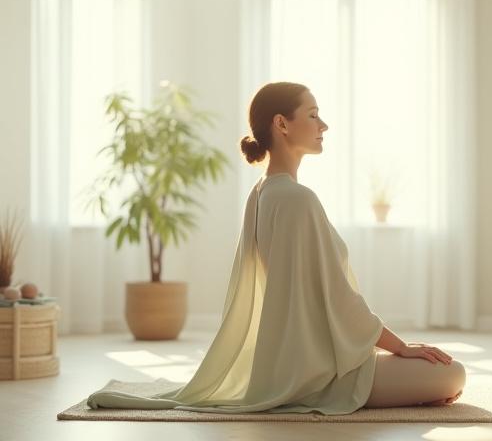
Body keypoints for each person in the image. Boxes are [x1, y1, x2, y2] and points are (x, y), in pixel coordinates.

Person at [84, 81, 464, 415]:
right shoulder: (297, 198)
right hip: (318, 373)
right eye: (313, 115)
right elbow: (341, 301)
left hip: (294, 361)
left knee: (436, 371)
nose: (324, 125)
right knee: (452, 373)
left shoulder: (262, 192)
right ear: (281, 124)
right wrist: (402, 348)